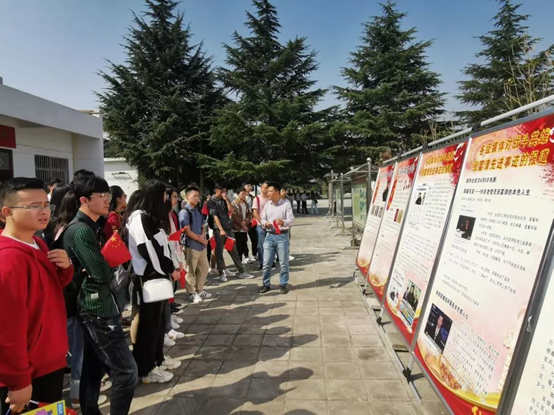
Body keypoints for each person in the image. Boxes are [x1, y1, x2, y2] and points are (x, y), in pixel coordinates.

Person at [62, 174, 138, 414]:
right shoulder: (81, 231)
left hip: (97, 305)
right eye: (102, 196)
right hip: (96, 309)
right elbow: (102, 273)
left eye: (108, 195)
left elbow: (98, 269)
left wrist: (101, 265)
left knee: (92, 370)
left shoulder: (91, 226)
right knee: (126, 372)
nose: (108, 200)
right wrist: (106, 265)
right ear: (84, 200)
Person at [0, 178, 73, 415]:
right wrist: (18, 381)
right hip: (29, 372)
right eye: (33, 206)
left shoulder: (37, 243)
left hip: (48, 362)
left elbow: (45, 292)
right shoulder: (8, 260)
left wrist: (65, 269)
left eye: (45, 205)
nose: (43, 212)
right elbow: (7, 328)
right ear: (7, 212)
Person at [127, 181, 181, 385]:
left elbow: (162, 246)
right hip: (149, 278)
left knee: (157, 324)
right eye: (164, 196)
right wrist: (169, 269)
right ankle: (146, 369)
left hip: (158, 276)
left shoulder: (149, 218)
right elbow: (149, 251)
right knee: (148, 327)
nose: (166, 200)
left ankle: (157, 360)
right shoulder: (139, 219)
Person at [207, 183, 253, 282]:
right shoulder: (211, 201)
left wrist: (227, 200)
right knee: (219, 252)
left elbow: (231, 211)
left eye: (225, 191)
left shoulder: (224, 200)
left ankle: (241, 271)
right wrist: (221, 229)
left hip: (228, 228)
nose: (224, 193)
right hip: (218, 230)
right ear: (216, 190)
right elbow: (214, 216)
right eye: (222, 191)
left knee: (232, 249)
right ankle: (221, 273)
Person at [260, 182, 294, 295]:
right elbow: (262, 218)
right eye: (267, 191)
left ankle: (283, 284)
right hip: (269, 236)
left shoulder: (286, 204)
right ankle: (266, 284)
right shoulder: (267, 205)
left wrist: (283, 222)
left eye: (270, 191)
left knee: (283, 263)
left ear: (277, 192)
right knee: (266, 262)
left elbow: (291, 221)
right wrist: (265, 223)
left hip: (282, 236)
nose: (268, 193)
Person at [180, 186, 212, 304]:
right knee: (191, 271)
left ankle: (199, 289)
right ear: (187, 196)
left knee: (204, 267)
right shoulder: (184, 212)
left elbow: (203, 226)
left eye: (198, 196)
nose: (197, 198)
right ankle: (191, 293)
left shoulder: (198, 210)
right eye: (194, 196)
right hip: (191, 245)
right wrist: (201, 240)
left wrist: (203, 235)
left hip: (201, 246)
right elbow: (187, 232)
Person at [232, 187, 252, 264]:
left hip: (244, 227)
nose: (244, 195)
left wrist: (246, 221)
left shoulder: (246, 203)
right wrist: (241, 224)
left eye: (245, 193)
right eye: (242, 193)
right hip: (237, 228)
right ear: (238, 194)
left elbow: (249, 214)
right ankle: (238, 262)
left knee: (244, 243)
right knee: (238, 246)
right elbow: (234, 216)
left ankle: (245, 257)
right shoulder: (234, 203)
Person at [252, 181, 270, 270]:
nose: (266, 189)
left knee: (270, 244)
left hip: (270, 225)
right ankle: (262, 262)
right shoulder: (257, 199)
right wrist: (262, 222)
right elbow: (255, 212)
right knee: (261, 245)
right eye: (265, 188)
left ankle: (270, 261)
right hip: (260, 225)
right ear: (261, 188)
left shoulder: (270, 198)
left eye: (268, 188)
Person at [244, 184, 258, 263]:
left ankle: (254, 254)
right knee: (244, 239)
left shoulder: (253, 198)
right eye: (247, 186)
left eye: (250, 186)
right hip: (243, 221)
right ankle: (246, 255)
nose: (249, 187)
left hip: (251, 220)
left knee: (254, 238)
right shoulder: (241, 198)